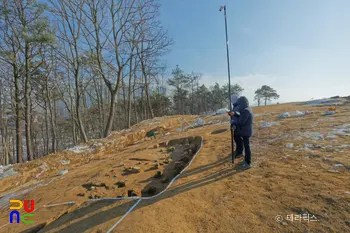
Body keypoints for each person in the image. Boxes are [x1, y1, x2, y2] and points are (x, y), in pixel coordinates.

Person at [228, 95, 253, 169]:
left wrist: (234, 123)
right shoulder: (244, 109)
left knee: (247, 147)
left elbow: (241, 121)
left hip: (246, 131)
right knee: (245, 145)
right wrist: (234, 114)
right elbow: (239, 115)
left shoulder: (246, 110)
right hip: (244, 130)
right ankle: (244, 159)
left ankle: (248, 163)